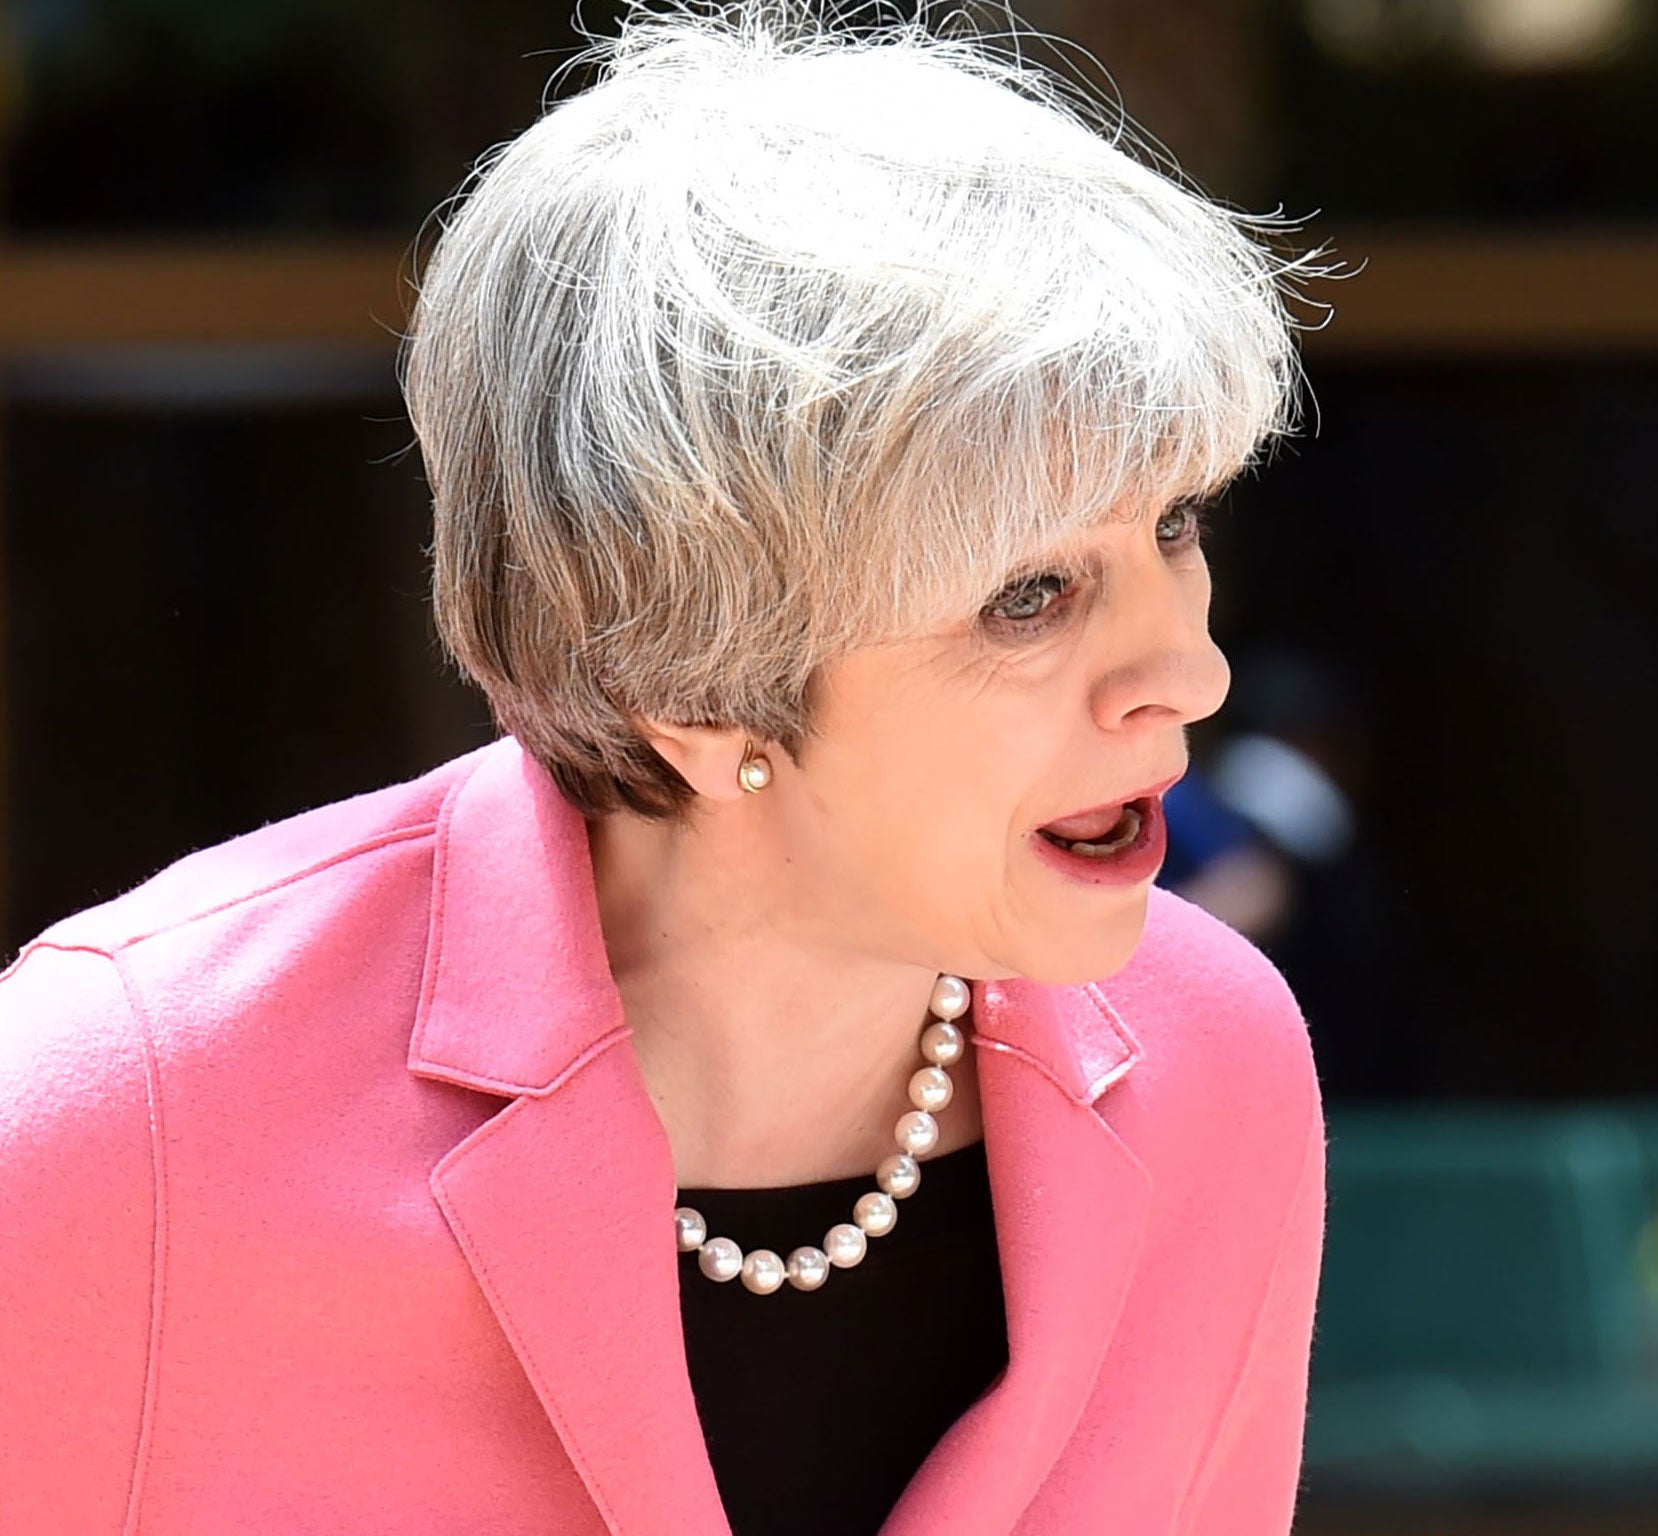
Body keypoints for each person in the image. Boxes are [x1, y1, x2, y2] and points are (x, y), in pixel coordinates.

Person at [0, 7, 1329, 1535]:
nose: (1192, 673)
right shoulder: (122, 1114)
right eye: (1030, 596)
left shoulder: (1215, 1064)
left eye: (1173, 527)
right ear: (688, 682)